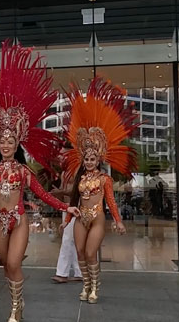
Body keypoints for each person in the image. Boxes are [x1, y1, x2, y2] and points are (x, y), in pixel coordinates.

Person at [0, 41, 78, 322]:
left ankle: (15, 308)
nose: (7, 145)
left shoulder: (24, 171)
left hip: (19, 220)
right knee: (6, 264)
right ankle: (17, 298)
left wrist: (66, 206)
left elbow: (41, 194)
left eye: (11, 141)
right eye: (3, 141)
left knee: (14, 263)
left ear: (18, 144)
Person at [59, 78, 138, 304]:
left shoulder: (105, 179)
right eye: (87, 158)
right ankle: (85, 285)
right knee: (81, 254)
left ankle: (95, 288)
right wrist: (66, 219)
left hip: (97, 217)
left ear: (99, 159)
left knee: (91, 253)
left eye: (94, 158)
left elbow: (111, 201)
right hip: (80, 217)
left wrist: (119, 220)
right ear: (83, 160)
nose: (90, 161)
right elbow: (74, 200)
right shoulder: (80, 178)